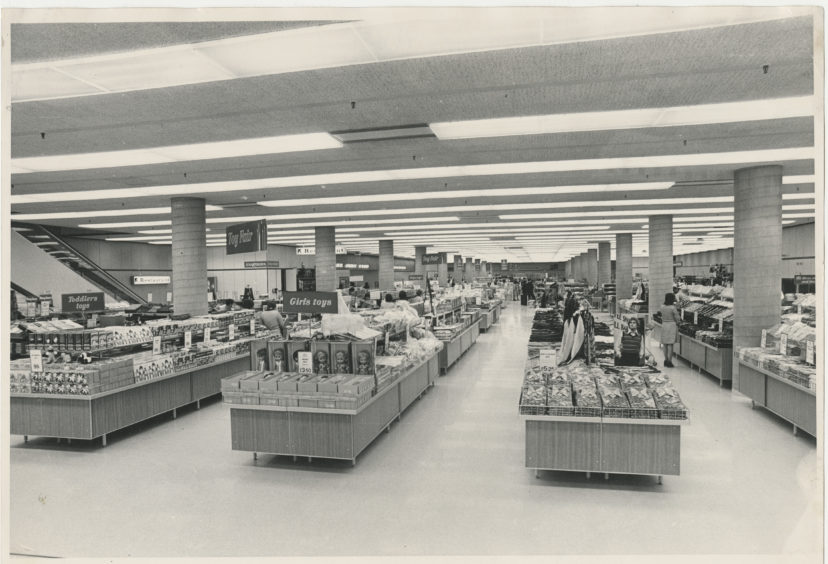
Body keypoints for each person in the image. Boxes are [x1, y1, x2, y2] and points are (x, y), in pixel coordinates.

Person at [660, 292, 680, 367]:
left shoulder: (662, 306)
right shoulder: (672, 308)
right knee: (670, 344)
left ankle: (665, 360)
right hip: (672, 325)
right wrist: (678, 322)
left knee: (665, 344)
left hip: (664, 324)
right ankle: (670, 361)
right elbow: (678, 318)